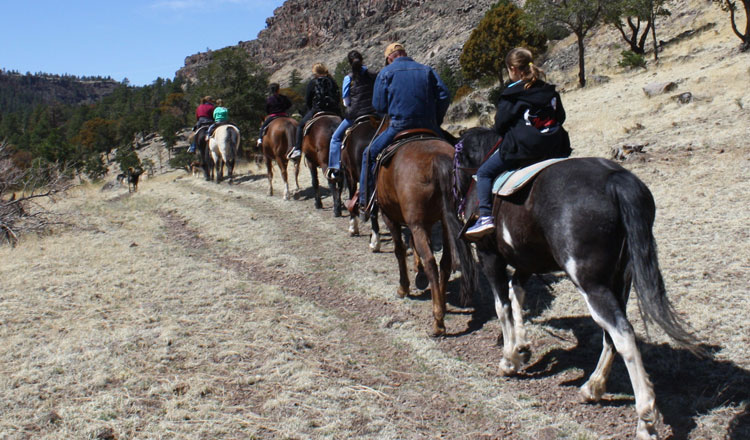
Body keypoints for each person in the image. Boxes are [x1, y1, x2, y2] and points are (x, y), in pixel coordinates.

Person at [465, 47, 571, 239]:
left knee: (484, 173)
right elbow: (560, 117)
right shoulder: (547, 89)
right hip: (556, 145)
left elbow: (500, 126)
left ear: (513, 69)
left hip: (525, 149)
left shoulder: (512, 93)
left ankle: (486, 217)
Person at [354, 42, 450, 215]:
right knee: (457, 150)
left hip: (399, 127)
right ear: (404, 53)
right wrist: (436, 119)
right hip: (429, 125)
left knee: (368, 154)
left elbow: (379, 105)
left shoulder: (385, 73)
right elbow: (444, 94)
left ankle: (366, 201)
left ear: (390, 58)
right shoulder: (426, 69)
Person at [325, 50, 378, 181]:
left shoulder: (348, 78)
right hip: (374, 113)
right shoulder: (373, 74)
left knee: (335, 138)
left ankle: (335, 169)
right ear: (362, 59)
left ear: (349, 63)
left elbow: (346, 101)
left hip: (355, 115)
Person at [288, 63, 341, 160]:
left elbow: (308, 99)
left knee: (300, 126)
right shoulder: (332, 81)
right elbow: (337, 97)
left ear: (315, 72)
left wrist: (311, 109)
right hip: (334, 110)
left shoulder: (313, 82)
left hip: (317, 109)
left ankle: (297, 149)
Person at [257, 83, 292, 147]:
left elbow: (266, 109)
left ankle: (260, 139)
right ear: (278, 89)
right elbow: (289, 104)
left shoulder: (269, 99)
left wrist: (269, 113)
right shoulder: (284, 97)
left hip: (273, 115)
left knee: (263, 126)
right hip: (284, 114)